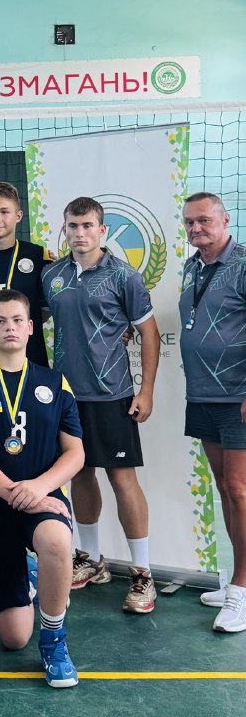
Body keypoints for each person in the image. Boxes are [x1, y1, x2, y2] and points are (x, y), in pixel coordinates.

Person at [0, 289, 85, 688]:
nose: (9, 328)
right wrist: (16, 494)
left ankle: (54, 642)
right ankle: (31, 575)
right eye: (0, 321)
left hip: (44, 500)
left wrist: (39, 489)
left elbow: (75, 453)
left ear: (30, 328)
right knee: (13, 639)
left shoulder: (54, 382)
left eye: (16, 321)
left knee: (57, 541)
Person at [41, 196, 160, 613]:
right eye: (73, 226)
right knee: (80, 474)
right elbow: (33, 319)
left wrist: (145, 391)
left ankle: (143, 574)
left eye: (88, 225)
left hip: (112, 395)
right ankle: (91, 560)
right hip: (66, 397)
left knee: (122, 480)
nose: (80, 233)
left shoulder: (124, 276)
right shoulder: (52, 275)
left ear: (102, 230)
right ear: (65, 229)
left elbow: (149, 334)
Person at [179, 192, 246, 631]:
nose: (195, 228)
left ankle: (242, 588)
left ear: (225, 220)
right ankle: (239, 578)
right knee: (224, 486)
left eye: (204, 220)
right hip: (203, 394)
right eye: (189, 222)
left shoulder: (242, 264)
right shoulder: (193, 266)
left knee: (239, 489)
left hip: (237, 395)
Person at [0, 182, 51, 368]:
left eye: (4, 212)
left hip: (30, 353)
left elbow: (46, 310)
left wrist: (15, 322)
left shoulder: (39, 256)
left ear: (18, 216)